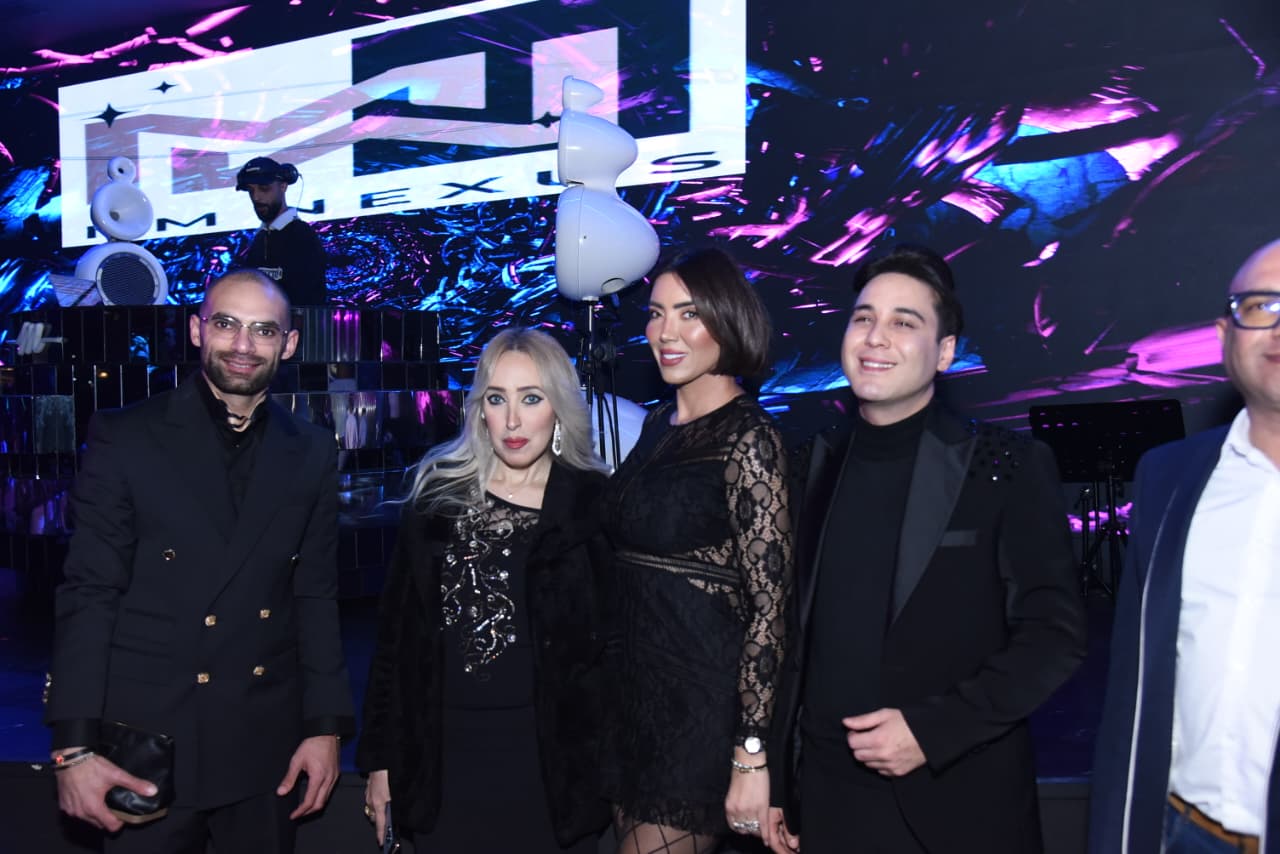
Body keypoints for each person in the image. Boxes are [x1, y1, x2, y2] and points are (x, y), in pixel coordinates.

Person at [766, 244, 1087, 854]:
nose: (875, 337)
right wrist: (777, 775)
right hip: (828, 802)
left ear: (944, 352)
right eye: (863, 318)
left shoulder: (1006, 465)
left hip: (954, 800)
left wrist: (933, 731)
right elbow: (789, 638)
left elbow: (1055, 638)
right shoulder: (808, 463)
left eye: (903, 322)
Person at [45, 269, 354, 853]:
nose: (243, 345)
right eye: (226, 324)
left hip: (265, 745)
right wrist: (74, 746)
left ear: (288, 344)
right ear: (196, 330)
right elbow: (89, 592)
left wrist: (325, 728)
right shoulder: (127, 436)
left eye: (264, 330)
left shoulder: (311, 449)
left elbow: (314, 596)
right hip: (148, 743)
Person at [357, 327, 614, 853]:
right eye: (497, 399)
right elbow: (395, 646)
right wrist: (381, 762)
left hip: (553, 773)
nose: (513, 420)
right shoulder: (436, 500)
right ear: (480, 411)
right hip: (445, 765)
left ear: (559, 408)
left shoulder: (593, 506)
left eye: (531, 398)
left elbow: (618, 652)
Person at [1088, 240, 1280, 854]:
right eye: (1262, 305)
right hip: (1180, 831)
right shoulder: (1169, 477)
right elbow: (1132, 688)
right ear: (1226, 335)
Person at [602, 247, 793, 853]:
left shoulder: (750, 439)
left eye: (689, 314)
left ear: (728, 320)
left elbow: (770, 611)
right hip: (632, 704)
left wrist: (750, 751)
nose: (666, 332)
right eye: (656, 313)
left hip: (697, 718)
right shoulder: (657, 425)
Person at [237, 156, 328, 305]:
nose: (256, 197)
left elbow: (309, 302)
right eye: (251, 190)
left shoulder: (303, 237)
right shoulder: (259, 239)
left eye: (264, 188)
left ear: (283, 186)